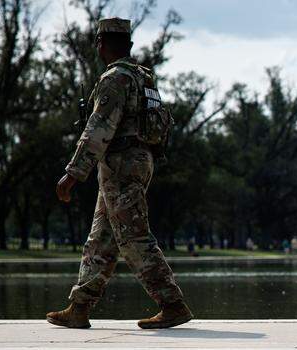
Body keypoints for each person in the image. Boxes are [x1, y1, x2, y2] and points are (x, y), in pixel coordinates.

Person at [47, 18, 191, 330]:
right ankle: (80, 306)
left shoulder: (115, 78)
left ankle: (172, 303)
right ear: (128, 44)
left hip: (121, 163)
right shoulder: (143, 77)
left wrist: (73, 173)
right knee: (102, 237)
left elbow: (99, 127)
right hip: (137, 160)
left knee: (133, 235)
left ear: (101, 43)